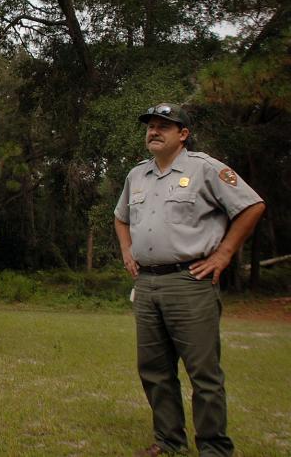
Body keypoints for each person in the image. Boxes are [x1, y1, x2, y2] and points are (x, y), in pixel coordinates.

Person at [114, 103, 265, 457]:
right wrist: (127, 251)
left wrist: (224, 254)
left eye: (164, 126)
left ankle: (214, 448)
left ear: (183, 134)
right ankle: (168, 441)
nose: (154, 131)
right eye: (151, 125)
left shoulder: (205, 169)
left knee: (204, 373)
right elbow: (120, 217)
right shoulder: (137, 175)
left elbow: (251, 206)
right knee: (153, 369)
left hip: (190, 282)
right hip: (148, 285)